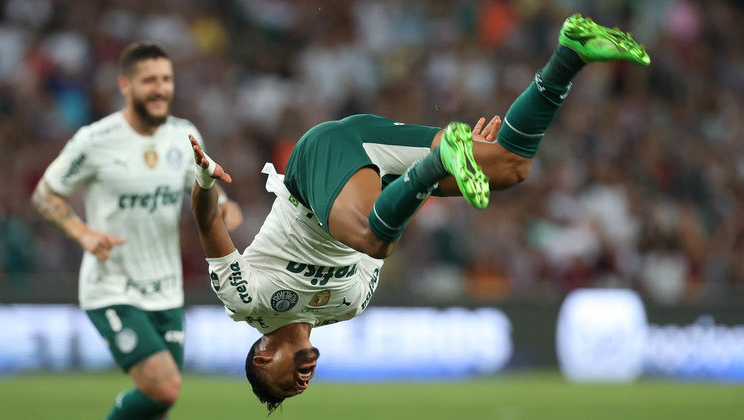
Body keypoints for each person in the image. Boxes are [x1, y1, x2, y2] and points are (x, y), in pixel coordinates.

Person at [189, 15, 650, 413]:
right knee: (508, 166)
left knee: (368, 235)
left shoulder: (246, 302)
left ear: (262, 358)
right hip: (372, 171)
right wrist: (430, 177)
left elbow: (210, 222)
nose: (303, 381)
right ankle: (569, 54)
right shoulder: (351, 304)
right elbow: (394, 222)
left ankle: (440, 157)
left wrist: (206, 179)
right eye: (300, 390)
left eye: (288, 383)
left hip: (318, 165)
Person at [32, 42, 242, 419]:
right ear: (125, 86)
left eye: (166, 79)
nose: (160, 89)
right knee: (163, 388)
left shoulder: (185, 134)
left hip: (166, 289)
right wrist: (82, 233)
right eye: (149, 81)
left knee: (157, 405)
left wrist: (224, 204)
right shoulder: (95, 139)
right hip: (112, 287)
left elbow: (204, 188)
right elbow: (46, 194)